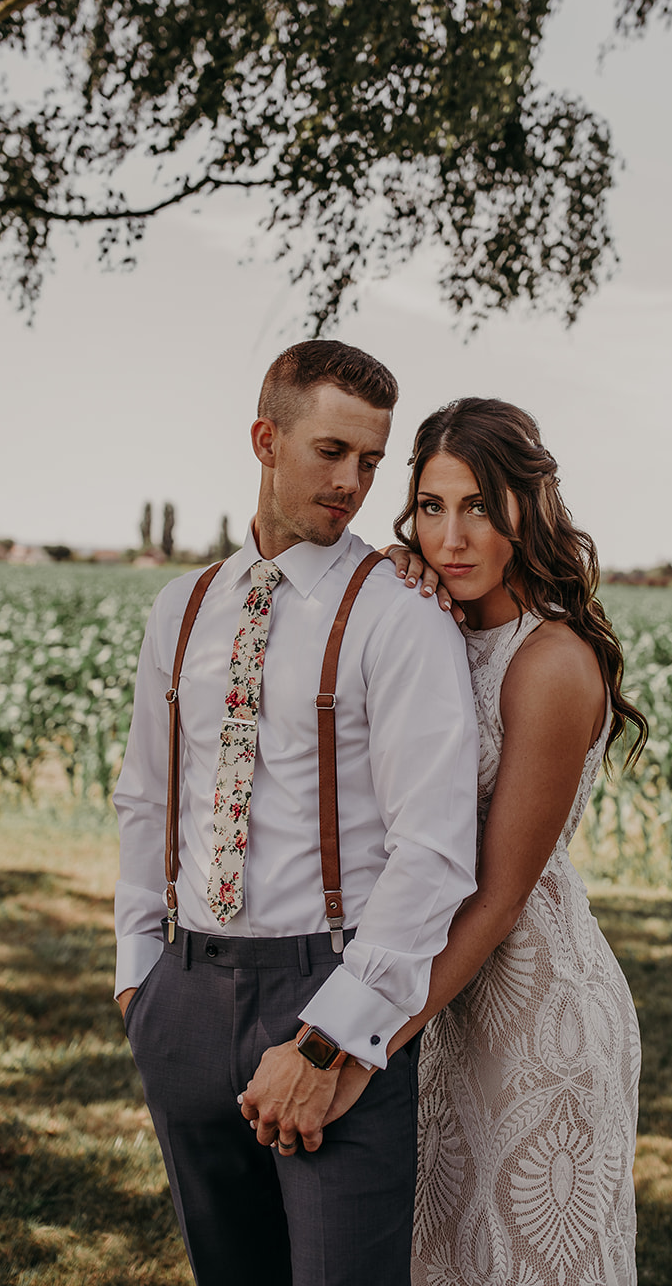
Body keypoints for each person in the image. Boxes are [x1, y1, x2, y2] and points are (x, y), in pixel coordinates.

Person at [114, 341, 480, 1286]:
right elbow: (146, 796)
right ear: (264, 439)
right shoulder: (183, 607)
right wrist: (138, 982)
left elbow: (433, 850)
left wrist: (331, 1037)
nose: (353, 483)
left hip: (328, 984)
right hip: (185, 994)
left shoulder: (400, 613)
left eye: (371, 461)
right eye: (330, 453)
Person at [278, 395, 648, 1286]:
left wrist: (356, 1046)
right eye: (434, 508)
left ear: (529, 507)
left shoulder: (553, 660)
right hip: (429, 997)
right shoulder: (429, 619)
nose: (452, 536)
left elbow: (499, 894)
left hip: (528, 1014)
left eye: (479, 506)